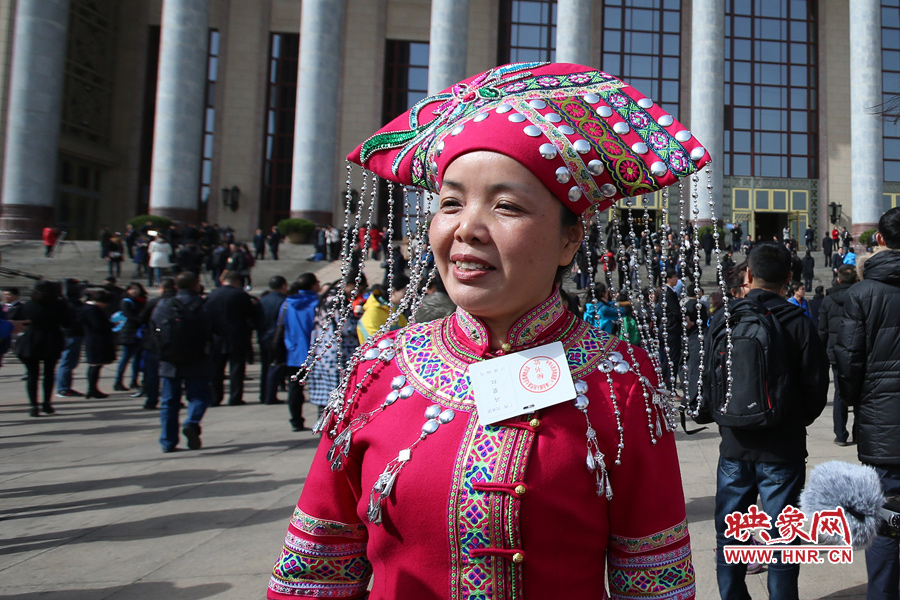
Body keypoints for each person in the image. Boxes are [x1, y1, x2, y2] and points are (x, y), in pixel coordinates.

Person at [266, 63, 699, 599]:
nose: (467, 227)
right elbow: (315, 573)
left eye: (506, 206)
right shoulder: (378, 367)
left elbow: (654, 584)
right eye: (450, 203)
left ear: (570, 240)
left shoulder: (619, 383)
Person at [704, 242, 828, 600]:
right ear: (789, 278)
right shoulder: (798, 322)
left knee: (730, 532)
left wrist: (728, 420)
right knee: (783, 537)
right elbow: (815, 388)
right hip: (783, 447)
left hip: (735, 445)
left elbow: (710, 380)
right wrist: (792, 419)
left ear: (748, 275)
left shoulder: (724, 318)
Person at [834, 207, 900, 598]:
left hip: (881, 424)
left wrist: (860, 403)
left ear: (879, 240)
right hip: (881, 419)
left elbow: (848, 361)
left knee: (888, 522)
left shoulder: (860, 294)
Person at [149, 271, 213, 452]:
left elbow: (154, 328)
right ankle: (192, 422)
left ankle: (168, 441)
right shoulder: (204, 305)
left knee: (169, 401)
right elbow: (213, 329)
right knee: (199, 396)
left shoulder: (164, 304)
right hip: (198, 357)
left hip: (170, 359)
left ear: (176, 286)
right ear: (196, 284)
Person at [16, 281, 71, 416]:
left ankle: (33, 406)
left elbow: (20, 321)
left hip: (31, 340)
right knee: (49, 373)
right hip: (51, 339)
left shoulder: (28, 305)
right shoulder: (59, 305)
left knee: (32, 375)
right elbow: (68, 322)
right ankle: (46, 403)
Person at [818, 265, 858, 446]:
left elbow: (823, 330)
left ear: (839, 279)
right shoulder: (860, 296)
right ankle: (858, 433)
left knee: (839, 394)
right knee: (861, 393)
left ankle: (840, 434)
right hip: (858, 350)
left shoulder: (828, 300)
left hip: (836, 352)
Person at [274, 272, 319, 431]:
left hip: (293, 351)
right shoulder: (316, 303)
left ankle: (296, 420)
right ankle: (323, 420)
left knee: (294, 389)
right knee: (322, 388)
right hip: (315, 351)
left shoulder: (287, 303)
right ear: (313, 286)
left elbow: (281, 325)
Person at [205, 270, 257, 406]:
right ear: (237, 282)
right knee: (237, 369)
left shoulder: (212, 295)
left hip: (217, 337)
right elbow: (250, 314)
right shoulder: (241, 295)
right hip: (237, 335)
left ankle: (215, 397)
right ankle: (235, 397)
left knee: (216, 370)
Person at [138, 278, 177, 410]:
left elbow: (141, 319)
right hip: (174, 342)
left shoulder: (154, 302)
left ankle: (151, 400)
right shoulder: (179, 302)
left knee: (152, 374)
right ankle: (172, 398)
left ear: (162, 288)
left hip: (154, 341)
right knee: (172, 374)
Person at [79, 289, 116, 399]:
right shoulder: (93, 310)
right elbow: (98, 325)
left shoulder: (87, 308)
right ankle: (92, 389)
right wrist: (110, 325)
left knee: (95, 365)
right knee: (95, 365)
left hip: (93, 338)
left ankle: (93, 388)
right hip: (97, 340)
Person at [259, 275, 289, 405]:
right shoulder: (285, 302)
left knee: (265, 367)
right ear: (283, 286)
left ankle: (264, 394)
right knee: (276, 367)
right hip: (278, 337)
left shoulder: (262, 301)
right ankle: (270, 395)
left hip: (264, 336)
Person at [56, 280, 85, 397]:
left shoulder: (66, 302)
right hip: (71, 334)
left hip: (72, 334)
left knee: (69, 362)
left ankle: (64, 387)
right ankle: (63, 388)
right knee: (67, 362)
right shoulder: (71, 304)